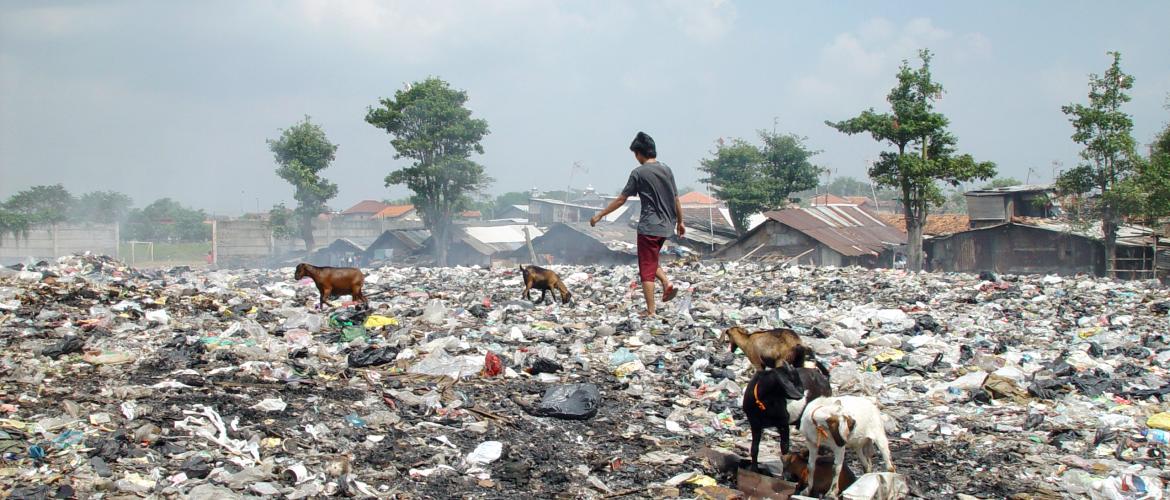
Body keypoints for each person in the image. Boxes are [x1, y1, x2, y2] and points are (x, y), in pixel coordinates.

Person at [590, 131, 685, 317]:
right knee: (650, 260)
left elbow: (621, 199)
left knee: (646, 270)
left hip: (649, 226)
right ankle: (666, 283)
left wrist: (600, 215)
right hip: (666, 226)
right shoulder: (666, 169)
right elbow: (676, 199)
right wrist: (681, 222)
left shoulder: (638, 173)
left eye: (636, 154)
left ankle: (651, 311)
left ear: (639, 153)